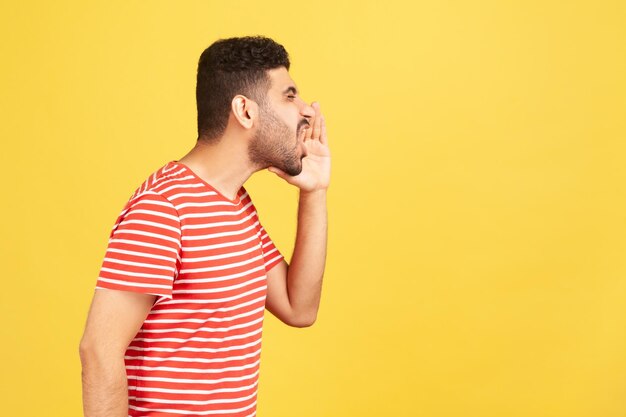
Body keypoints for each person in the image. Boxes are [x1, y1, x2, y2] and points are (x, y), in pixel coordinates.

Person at [79, 36, 330, 417]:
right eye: (289, 96)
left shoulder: (237, 204)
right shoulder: (163, 208)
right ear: (245, 111)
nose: (306, 112)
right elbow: (99, 350)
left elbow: (300, 309)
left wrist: (314, 192)